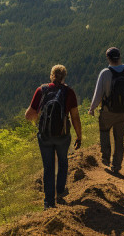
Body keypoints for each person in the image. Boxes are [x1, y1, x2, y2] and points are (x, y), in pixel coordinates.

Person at [25, 64, 82, 209]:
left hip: (45, 136)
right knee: (63, 161)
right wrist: (79, 136)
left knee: (48, 167)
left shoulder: (41, 90)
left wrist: (41, 116)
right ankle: (61, 191)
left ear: (51, 75)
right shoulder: (69, 92)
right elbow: (75, 117)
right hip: (63, 135)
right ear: (64, 77)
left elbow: (28, 116)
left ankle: (48, 203)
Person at [88, 47, 124, 176]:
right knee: (119, 139)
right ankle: (117, 165)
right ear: (120, 56)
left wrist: (92, 108)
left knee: (104, 132)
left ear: (108, 58)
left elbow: (98, 94)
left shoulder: (105, 73)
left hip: (108, 112)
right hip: (123, 112)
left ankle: (106, 157)